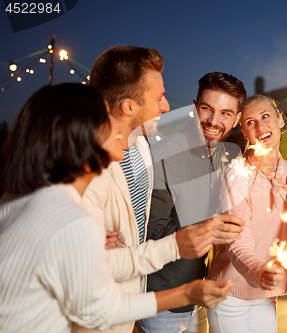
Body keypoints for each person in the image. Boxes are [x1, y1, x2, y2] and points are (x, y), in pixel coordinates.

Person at [0, 83, 230, 333]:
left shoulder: (20, 202)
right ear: (79, 134)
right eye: (108, 118)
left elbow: (98, 266)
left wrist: (175, 246)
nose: (120, 124)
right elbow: (99, 311)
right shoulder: (70, 219)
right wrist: (186, 293)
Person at [80, 46, 216, 333]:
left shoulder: (143, 147)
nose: (166, 107)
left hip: (135, 294)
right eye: (159, 97)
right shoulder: (84, 165)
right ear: (129, 106)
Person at [137, 72, 247, 333]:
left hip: (198, 295)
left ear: (237, 119)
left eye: (225, 113)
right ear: (194, 107)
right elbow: (149, 235)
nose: (214, 121)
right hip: (163, 302)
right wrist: (208, 227)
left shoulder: (221, 154)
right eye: (207, 109)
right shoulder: (164, 156)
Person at [206, 95, 287, 333]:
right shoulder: (239, 174)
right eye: (250, 122)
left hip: (266, 294)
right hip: (229, 294)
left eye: (265, 117)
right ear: (244, 133)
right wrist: (259, 271)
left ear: (280, 120)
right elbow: (236, 240)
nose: (260, 127)